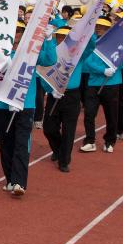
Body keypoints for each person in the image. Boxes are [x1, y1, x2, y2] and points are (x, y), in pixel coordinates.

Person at [0, 21, 57, 196]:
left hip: (24, 105)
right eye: (15, 30)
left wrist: (49, 39)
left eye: (20, 30)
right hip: (3, 103)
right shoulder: (1, 51)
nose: (17, 33)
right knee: (5, 143)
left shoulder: (31, 52)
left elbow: (50, 60)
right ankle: (10, 179)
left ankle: (19, 182)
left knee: (21, 143)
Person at [77, 18, 121, 154]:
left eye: (102, 27)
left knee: (111, 115)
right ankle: (90, 140)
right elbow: (87, 63)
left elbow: (122, 59)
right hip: (93, 83)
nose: (99, 29)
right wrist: (102, 70)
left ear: (109, 29)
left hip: (111, 84)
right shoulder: (93, 44)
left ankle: (110, 141)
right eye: (98, 26)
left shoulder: (117, 43)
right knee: (89, 114)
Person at [40, 27, 80, 173]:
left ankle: (64, 160)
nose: (62, 40)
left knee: (69, 130)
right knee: (49, 128)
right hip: (54, 94)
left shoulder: (78, 55)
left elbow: (92, 46)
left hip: (71, 95)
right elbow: (42, 73)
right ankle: (57, 149)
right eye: (60, 37)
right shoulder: (52, 54)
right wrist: (51, 90)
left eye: (65, 38)